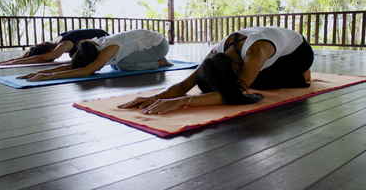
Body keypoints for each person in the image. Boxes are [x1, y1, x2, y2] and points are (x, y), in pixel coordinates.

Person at [119, 26, 314, 114]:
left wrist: (182, 102)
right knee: (257, 83)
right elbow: (187, 83)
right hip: (270, 56)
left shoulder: (256, 52)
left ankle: (303, 75)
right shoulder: (216, 54)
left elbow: (236, 91)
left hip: (297, 54)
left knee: (261, 85)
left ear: (236, 69)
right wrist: (156, 98)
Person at [18, 29, 173, 81]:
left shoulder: (109, 49)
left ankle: (160, 62)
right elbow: (75, 65)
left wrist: (47, 77)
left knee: (123, 65)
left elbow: (86, 70)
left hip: (158, 46)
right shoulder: (91, 45)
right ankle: (153, 60)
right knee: (116, 64)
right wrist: (39, 72)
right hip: (141, 44)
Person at [0, 28, 109, 65]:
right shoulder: (57, 40)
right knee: (74, 56)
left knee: (78, 58)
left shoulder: (64, 44)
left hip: (104, 40)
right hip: (95, 37)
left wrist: (13, 63)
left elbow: (44, 57)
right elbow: (40, 54)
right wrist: (18, 59)